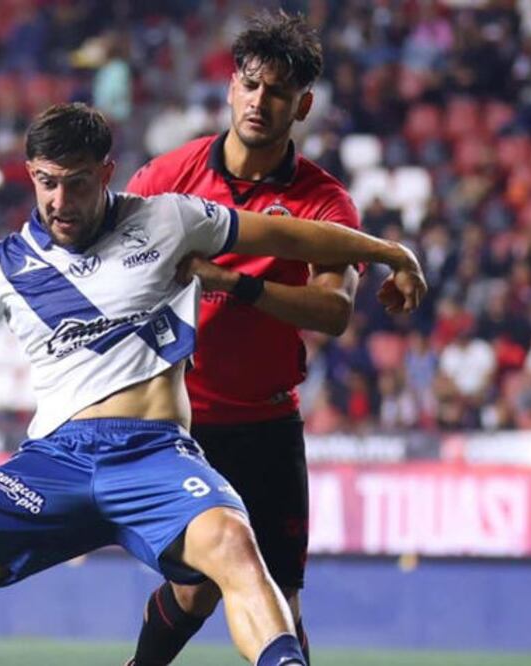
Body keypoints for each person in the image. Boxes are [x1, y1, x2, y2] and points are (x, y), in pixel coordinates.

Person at [0, 103, 426, 666]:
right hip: (54, 462)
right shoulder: (0, 267)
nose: (60, 200)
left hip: (154, 454)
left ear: (108, 173)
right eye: (46, 181)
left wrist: (388, 252)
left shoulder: (169, 219)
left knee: (236, 547)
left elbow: (292, 237)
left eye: (78, 182)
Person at [124, 12, 357, 664]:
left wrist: (235, 284)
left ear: (302, 104)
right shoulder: (166, 176)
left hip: (267, 425)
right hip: (179, 422)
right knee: (195, 591)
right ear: (230, 87)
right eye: (250, 85)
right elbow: (111, 273)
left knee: (279, 597)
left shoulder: (321, 202)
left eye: (278, 92)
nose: (260, 102)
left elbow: (333, 312)